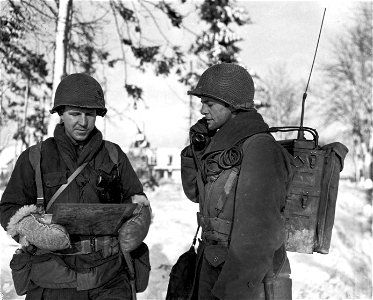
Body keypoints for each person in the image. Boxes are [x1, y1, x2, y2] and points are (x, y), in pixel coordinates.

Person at [0, 73, 151, 300]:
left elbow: (137, 200)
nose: (83, 122)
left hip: (108, 276)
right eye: (75, 114)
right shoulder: (35, 157)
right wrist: (34, 231)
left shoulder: (113, 155)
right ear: (61, 113)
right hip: (52, 278)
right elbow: (9, 207)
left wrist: (138, 222)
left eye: (89, 114)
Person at [180, 63, 293, 300]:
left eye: (209, 104)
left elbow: (259, 233)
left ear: (232, 106)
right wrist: (197, 151)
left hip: (242, 280)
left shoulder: (259, 147)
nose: (202, 110)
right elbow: (196, 195)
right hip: (213, 265)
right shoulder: (225, 146)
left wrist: (232, 291)